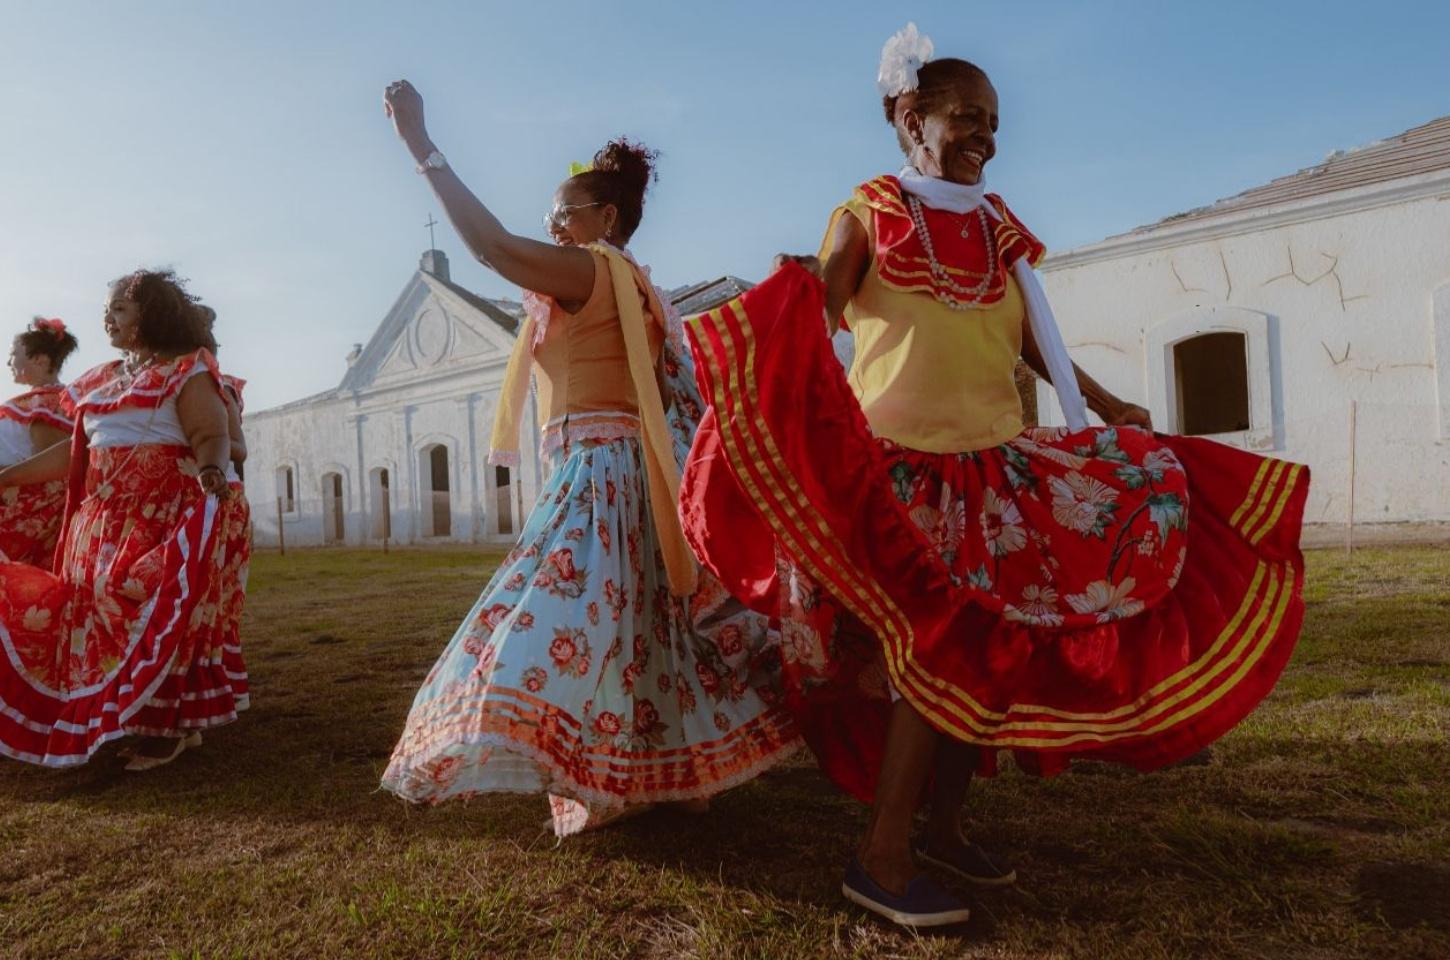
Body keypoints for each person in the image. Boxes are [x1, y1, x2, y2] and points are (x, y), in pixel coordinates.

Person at [680, 25, 1308, 927]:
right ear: (911, 116)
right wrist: (768, 400)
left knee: (984, 648)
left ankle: (938, 829)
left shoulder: (996, 226)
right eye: (968, 116)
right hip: (898, 481)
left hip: (992, 473)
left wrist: (1107, 403)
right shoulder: (870, 210)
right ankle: (879, 859)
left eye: (995, 121)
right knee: (933, 656)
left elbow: (1022, 339)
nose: (987, 136)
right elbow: (809, 323)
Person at [377, 80, 798, 835]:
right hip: (634, 471)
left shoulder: (594, 269)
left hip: (599, 473)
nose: (552, 228)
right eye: (550, 218)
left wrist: (421, 146)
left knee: (547, 618)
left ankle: (585, 764)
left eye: (562, 215)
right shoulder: (637, 287)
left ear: (604, 218)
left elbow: (493, 248)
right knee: (638, 629)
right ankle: (658, 779)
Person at [0, 270, 252, 771]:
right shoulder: (99, 380)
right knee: (99, 619)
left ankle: (173, 726)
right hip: (102, 521)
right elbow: (79, 456)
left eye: (119, 309)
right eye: (107, 309)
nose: (107, 317)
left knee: (148, 604)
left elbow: (211, 432)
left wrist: (209, 470)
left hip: (166, 513)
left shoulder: (187, 370)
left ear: (151, 314)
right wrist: (7, 479)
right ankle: (141, 718)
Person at [0, 318, 78, 565]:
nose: (8, 362)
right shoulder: (40, 400)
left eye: (14, 355)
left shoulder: (48, 402)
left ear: (40, 360)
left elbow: (48, 468)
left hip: (14, 501)